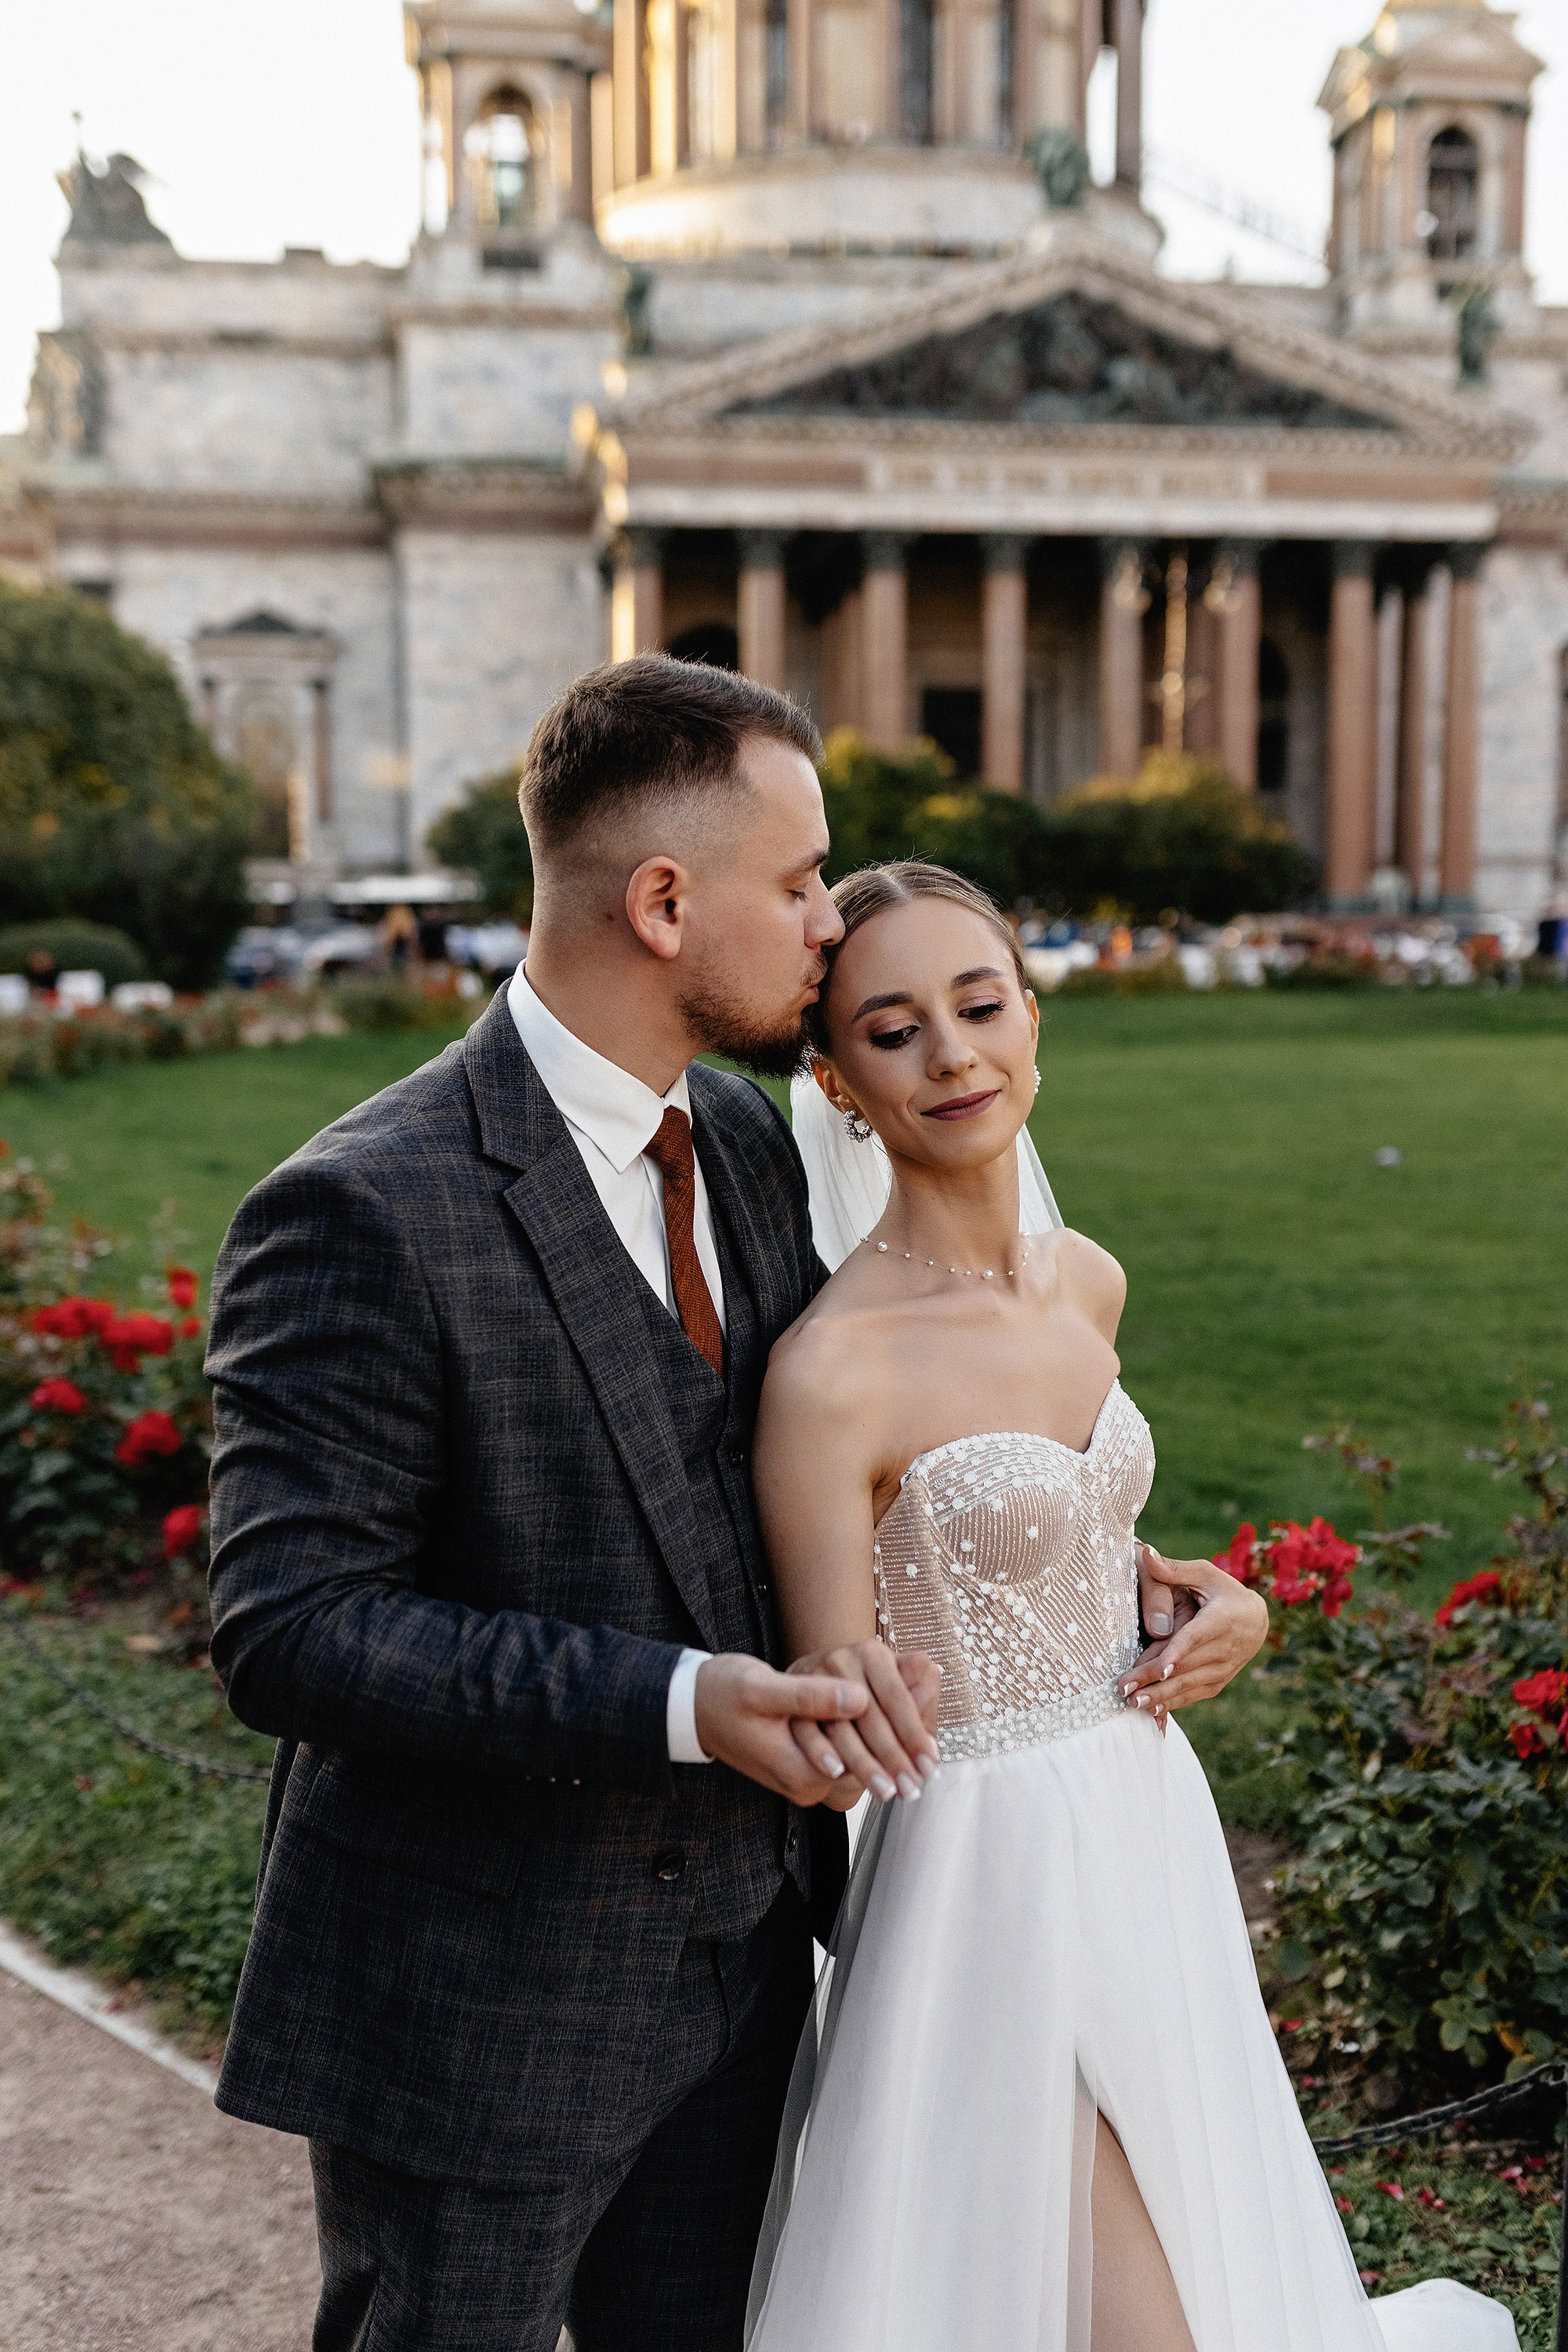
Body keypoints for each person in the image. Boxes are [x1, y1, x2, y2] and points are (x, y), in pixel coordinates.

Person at [204, 657, 944, 2352]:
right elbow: (292, 1631)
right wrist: (689, 1706)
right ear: (664, 901)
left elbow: (845, 1458)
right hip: (475, 2003)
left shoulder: (747, 1146)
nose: (828, 918)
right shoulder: (360, 1209)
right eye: (796, 877)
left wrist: (1105, 1568)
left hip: (744, 1975)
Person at [744, 859, 1520, 2352]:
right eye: (894, 1031)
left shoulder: (1086, 1283)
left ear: (1034, 1024)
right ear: (839, 1083)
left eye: (979, 1007)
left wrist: (1218, 1609)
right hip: (983, 1886)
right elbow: (832, 1710)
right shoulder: (831, 1373)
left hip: (1147, 1831)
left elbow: (1091, 1542)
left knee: (1211, 2266)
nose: (953, 1056)